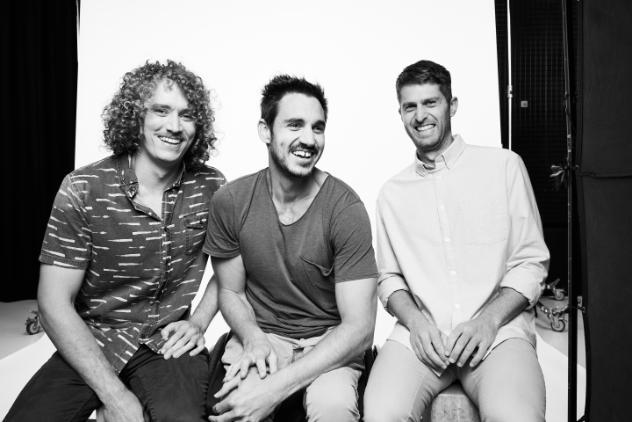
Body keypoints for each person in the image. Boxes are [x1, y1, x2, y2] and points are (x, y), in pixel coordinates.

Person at [6, 60, 225, 422]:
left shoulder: (212, 187)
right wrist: (116, 397)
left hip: (166, 344)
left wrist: (199, 321)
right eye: (161, 110)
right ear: (135, 117)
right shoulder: (83, 188)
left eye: (186, 115)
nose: (174, 126)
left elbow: (232, 269)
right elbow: (53, 303)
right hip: (92, 341)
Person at [363, 59, 549, 422]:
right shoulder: (391, 193)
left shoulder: (504, 167)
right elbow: (389, 278)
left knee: (516, 418)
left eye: (431, 102)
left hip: (498, 335)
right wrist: (416, 323)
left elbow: (531, 261)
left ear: (452, 105)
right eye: (410, 106)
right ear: (400, 113)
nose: (420, 115)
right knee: (381, 414)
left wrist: (489, 321)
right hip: (422, 339)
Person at [204, 75, 377, 422]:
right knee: (235, 406)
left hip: (328, 341)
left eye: (318, 127)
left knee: (334, 409)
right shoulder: (231, 201)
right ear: (266, 131)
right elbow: (231, 292)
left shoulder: (344, 208)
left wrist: (276, 387)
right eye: (294, 125)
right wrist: (252, 338)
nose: (309, 139)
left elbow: (359, 327)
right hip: (262, 334)